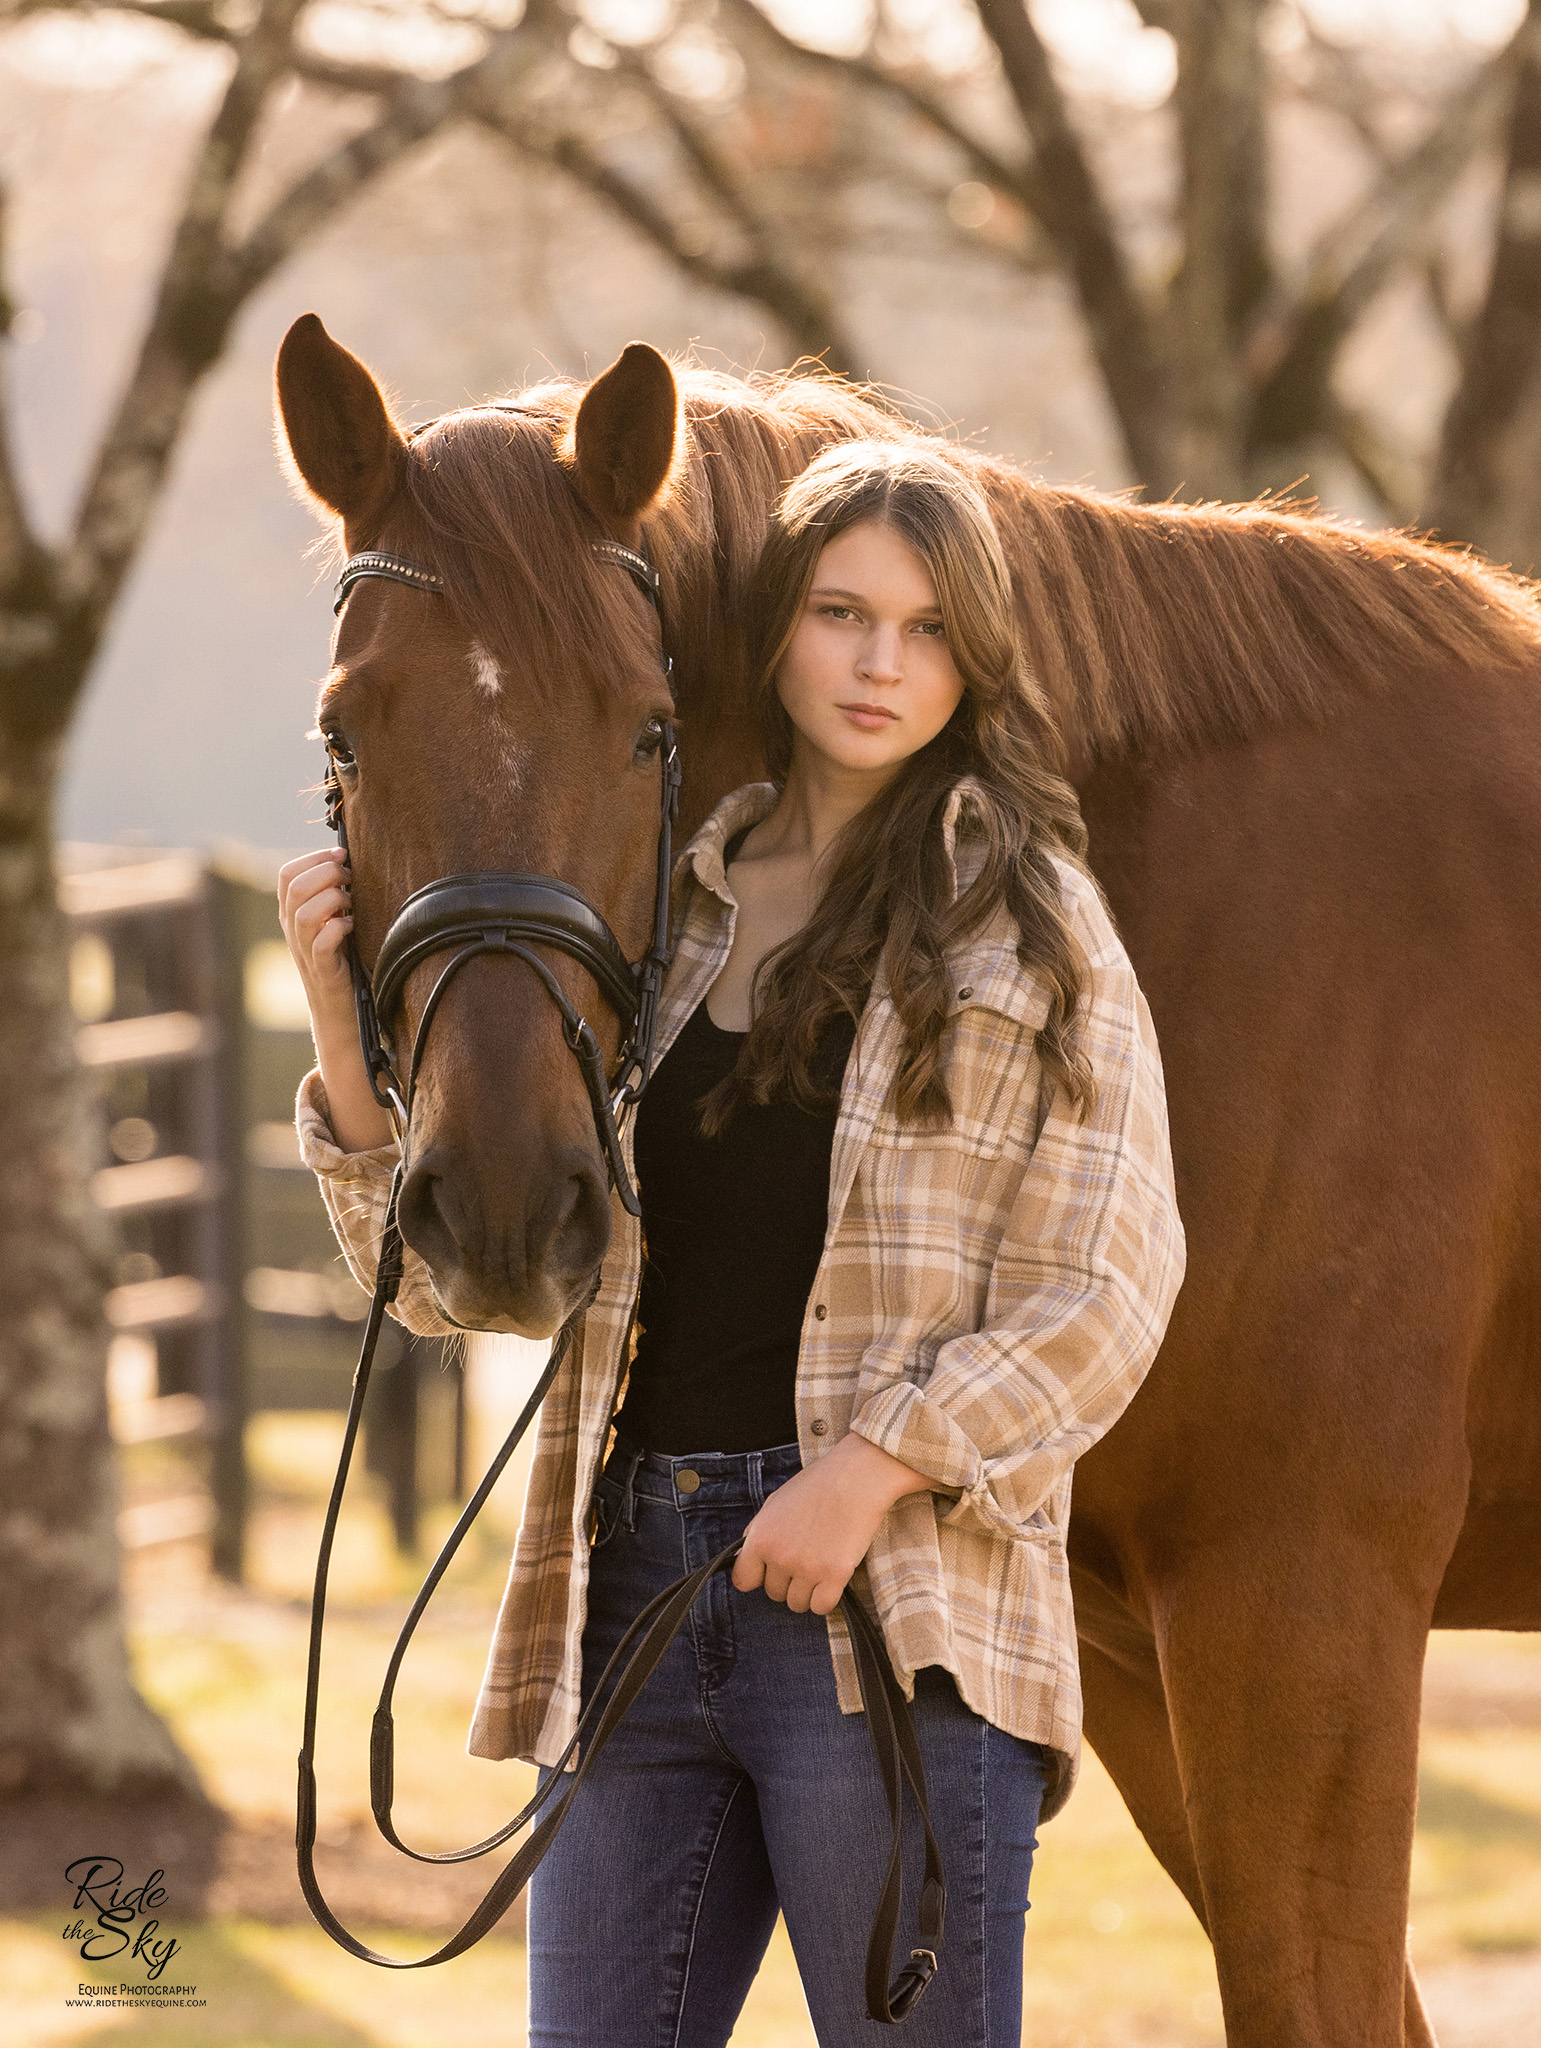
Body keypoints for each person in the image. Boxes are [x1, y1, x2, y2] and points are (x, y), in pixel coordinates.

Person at [279, 440, 1185, 2045]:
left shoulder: (1027, 924)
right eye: (841, 611)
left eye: (922, 628)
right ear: (778, 629)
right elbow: (442, 1287)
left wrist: (874, 1468)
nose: (876, 662)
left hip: (889, 1620)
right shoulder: (664, 918)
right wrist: (340, 1031)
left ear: (971, 662)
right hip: (630, 1587)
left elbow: (1106, 1292)